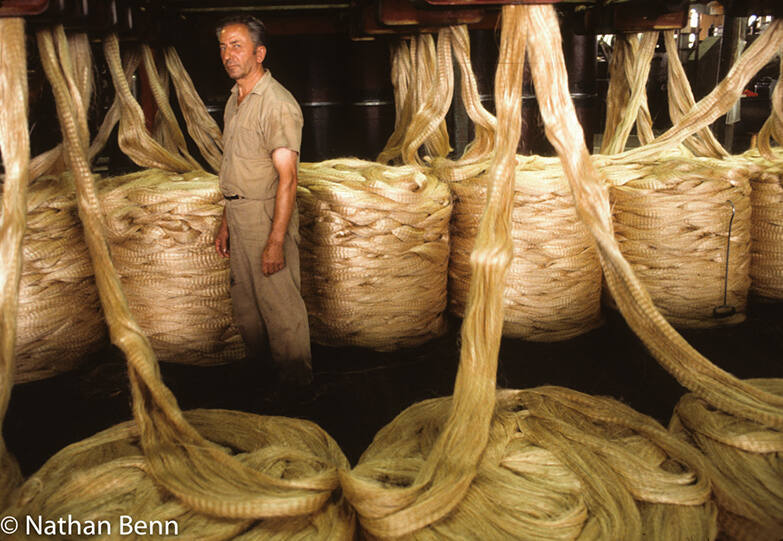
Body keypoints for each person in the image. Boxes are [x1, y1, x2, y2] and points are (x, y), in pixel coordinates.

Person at [214, 15, 312, 388]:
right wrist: (226, 221)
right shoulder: (235, 100)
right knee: (247, 308)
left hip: (266, 213)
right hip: (239, 214)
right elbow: (235, 164)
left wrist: (275, 242)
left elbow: (288, 179)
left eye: (236, 45)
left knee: (280, 307)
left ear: (259, 52)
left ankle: (297, 388)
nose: (227, 54)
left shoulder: (277, 104)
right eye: (223, 47)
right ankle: (263, 382)